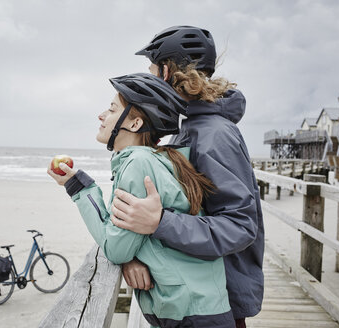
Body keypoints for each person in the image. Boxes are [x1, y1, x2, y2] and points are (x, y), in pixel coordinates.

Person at [48, 73, 235, 328]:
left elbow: (116, 248)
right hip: (197, 305)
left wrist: (78, 188)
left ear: (134, 124)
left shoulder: (138, 163)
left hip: (189, 313)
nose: (101, 116)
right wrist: (131, 256)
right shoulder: (156, 159)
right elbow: (129, 238)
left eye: (112, 109)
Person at [110, 26, 264, 328]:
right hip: (198, 294)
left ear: (166, 71)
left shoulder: (214, 134)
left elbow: (241, 225)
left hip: (217, 302)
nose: (150, 78)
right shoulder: (188, 128)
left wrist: (158, 223)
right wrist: (131, 253)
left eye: (153, 70)